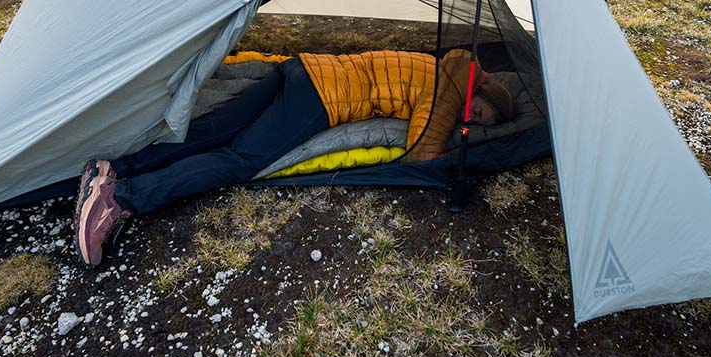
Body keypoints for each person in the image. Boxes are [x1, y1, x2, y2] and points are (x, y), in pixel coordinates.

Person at [72, 49, 517, 265]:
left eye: (479, 122)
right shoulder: (449, 92)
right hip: (322, 99)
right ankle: (122, 200)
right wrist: (459, 141)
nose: (472, 120)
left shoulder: (443, 62)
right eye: (478, 112)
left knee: (218, 128)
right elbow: (423, 152)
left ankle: (114, 169)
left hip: (306, 67)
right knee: (240, 160)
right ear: (476, 91)